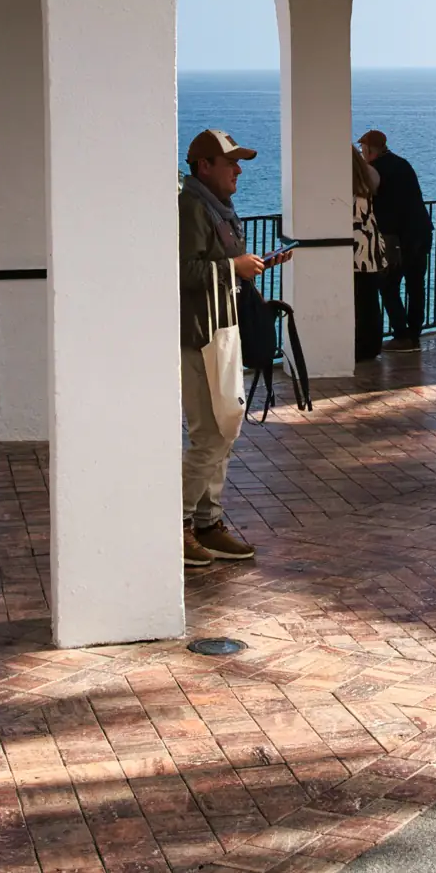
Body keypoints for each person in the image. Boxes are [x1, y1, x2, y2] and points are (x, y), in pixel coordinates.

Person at [179, 128, 290, 569]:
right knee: (209, 434)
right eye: (231, 162)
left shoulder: (215, 207)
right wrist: (233, 267)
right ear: (205, 166)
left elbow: (212, 267)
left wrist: (244, 268)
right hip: (200, 335)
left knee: (225, 430)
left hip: (220, 330)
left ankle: (208, 523)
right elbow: (183, 270)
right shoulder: (191, 207)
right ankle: (179, 526)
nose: (238, 170)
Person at [358, 129, 433, 346]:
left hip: (398, 238)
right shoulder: (403, 164)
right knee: (416, 284)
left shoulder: (375, 170)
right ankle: (415, 331)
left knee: (388, 284)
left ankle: (401, 333)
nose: (362, 153)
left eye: (363, 149)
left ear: (370, 150)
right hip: (422, 231)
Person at [352, 145, 393, 361]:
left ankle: (362, 347)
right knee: (370, 299)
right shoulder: (366, 180)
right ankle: (372, 345)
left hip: (357, 249)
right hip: (372, 245)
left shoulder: (346, 185)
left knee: (360, 300)